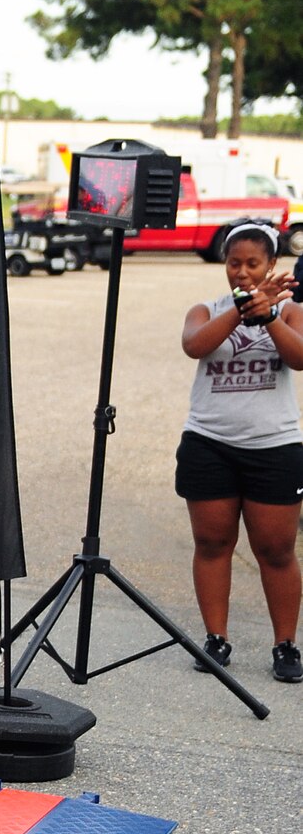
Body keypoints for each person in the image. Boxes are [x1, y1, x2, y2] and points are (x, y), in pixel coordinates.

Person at [178, 219, 303, 683]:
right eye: (235, 263)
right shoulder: (204, 309)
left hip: (273, 446)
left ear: (272, 264)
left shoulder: (292, 310)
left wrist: (269, 314)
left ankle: (286, 645)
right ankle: (216, 639)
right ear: (224, 265)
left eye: (254, 264)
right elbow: (196, 345)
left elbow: (299, 357)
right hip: (209, 443)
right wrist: (243, 307)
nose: (243, 272)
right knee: (212, 544)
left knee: (276, 550)